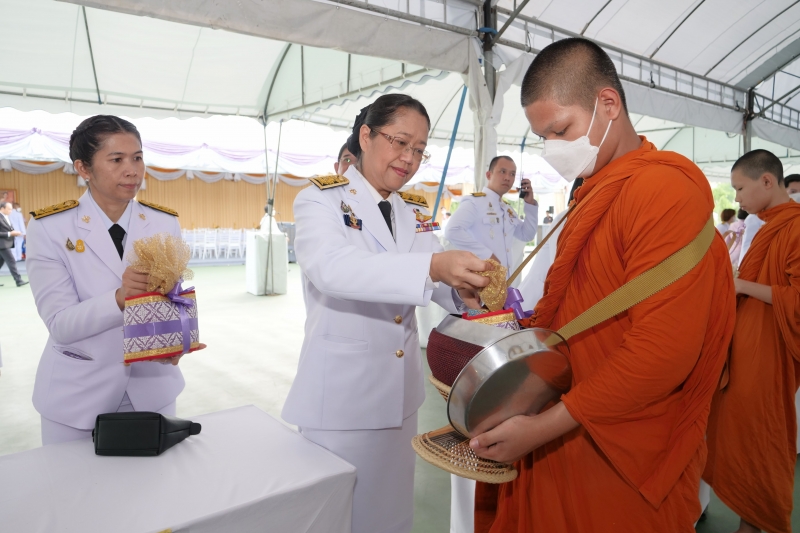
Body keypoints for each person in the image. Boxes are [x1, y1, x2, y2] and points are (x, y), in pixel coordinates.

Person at [470, 37, 735, 533]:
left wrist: (543, 428)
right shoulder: (595, 191)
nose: (553, 149)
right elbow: (577, 308)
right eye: (543, 138)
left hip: (618, 445)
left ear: (607, 104)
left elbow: (663, 353)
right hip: (567, 413)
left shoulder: (662, 190)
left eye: (560, 130)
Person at [281, 94, 490, 533]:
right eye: (399, 142)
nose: (409, 158)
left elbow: (434, 282)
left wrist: (468, 294)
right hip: (343, 397)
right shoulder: (320, 201)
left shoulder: (410, 211)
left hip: (399, 395)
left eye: (418, 149)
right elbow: (332, 270)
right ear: (366, 136)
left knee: (391, 515)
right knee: (338, 516)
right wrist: (434, 267)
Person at [26, 115, 202, 445]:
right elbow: (61, 324)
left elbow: (170, 300)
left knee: (152, 490)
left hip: (153, 388)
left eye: (137, 157)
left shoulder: (164, 222)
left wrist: (175, 340)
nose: (132, 170)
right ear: (83, 168)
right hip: (77, 396)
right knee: (74, 493)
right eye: (117, 159)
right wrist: (119, 298)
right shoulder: (50, 228)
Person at [704, 149, 800, 533]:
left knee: (761, 434)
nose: (738, 199)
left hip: (769, 350)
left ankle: (759, 519)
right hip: (747, 344)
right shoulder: (768, 223)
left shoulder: (793, 226)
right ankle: (750, 520)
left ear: (766, 181)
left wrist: (741, 284)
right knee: (740, 433)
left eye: (740, 189)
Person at [445, 156, 538, 277]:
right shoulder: (475, 202)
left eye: (512, 174)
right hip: (479, 279)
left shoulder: (507, 209)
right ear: (489, 175)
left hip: (503, 281)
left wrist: (530, 204)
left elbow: (527, 235)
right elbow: (452, 231)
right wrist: (487, 255)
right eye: (502, 171)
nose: (507, 178)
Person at [0, 202, 27, 287]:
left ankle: (18, 280)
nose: (11, 211)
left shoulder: (6, 217)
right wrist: (10, 234)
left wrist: (15, 233)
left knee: (0, 262)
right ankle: (18, 280)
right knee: (11, 261)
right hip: (2, 244)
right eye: (9, 209)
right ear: (2, 208)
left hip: (5, 243)